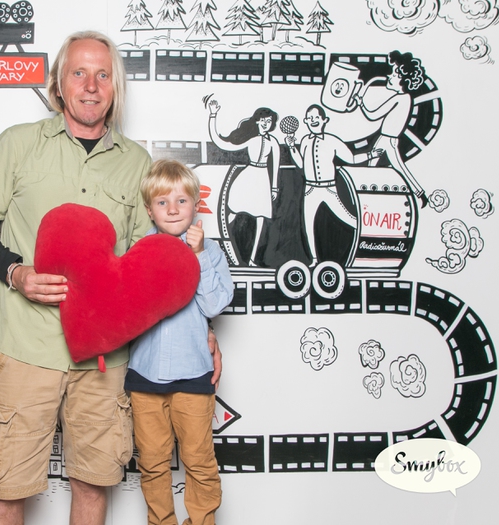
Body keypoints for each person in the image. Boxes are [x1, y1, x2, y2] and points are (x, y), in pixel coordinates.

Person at [0, 31, 221, 525]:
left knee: (93, 483)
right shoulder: (18, 144)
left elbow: (154, 269)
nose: (91, 85)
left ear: (115, 87)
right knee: (6, 489)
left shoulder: (137, 164)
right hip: (25, 348)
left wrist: (200, 333)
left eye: (103, 75)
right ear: (59, 83)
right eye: (79, 72)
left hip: (104, 360)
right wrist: (16, 273)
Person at [126, 159, 233, 525]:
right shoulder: (139, 252)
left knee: (199, 461)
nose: (172, 209)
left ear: (196, 205)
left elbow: (214, 305)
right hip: (145, 376)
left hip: (193, 375)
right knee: (152, 463)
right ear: (149, 210)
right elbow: (127, 308)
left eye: (181, 200)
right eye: (162, 202)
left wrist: (198, 256)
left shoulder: (211, 252)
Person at [286, 104, 382, 266]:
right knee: (308, 224)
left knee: (348, 218)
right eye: (310, 118)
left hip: (329, 188)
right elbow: (301, 164)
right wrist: (291, 147)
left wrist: (370, 155)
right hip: (310, 190)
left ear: (324, 120)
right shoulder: (305, 140)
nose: (313, 120)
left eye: (316, 117)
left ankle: (369, 241)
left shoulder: (332, 141)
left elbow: (351, 159)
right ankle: (314, 260)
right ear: (306, 121)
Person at [208, 102, 281, 267]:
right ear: (257, 121)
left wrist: (274, 187)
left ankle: (253, 259)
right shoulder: (251, 140)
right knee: (231, 212)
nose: (266, 124)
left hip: (263, 180)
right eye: (263, 120)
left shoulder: (273, 143)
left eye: (269, 121)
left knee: (261, 218)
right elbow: (222, 144)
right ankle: (220, 246)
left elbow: (275, 166)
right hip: (247, 178)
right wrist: (213, 115)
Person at [356, 50, 428, 208]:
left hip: (388, 139)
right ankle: (418, 194)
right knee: (378, 167)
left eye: (394, 74)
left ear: (403, 79)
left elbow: (373, 115)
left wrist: (360, 103)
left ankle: (370, 198)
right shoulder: (406, 98)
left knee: (386, 168)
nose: (389, 76)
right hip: (387, 139)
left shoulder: (400, 98)